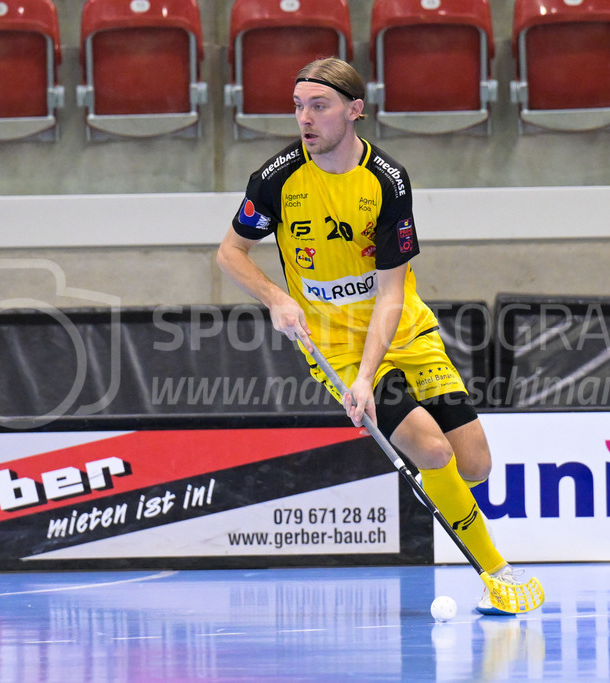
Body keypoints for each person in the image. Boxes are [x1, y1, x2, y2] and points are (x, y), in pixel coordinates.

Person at [216, 57, 539, 615]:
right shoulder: (277, 179)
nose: (305, 119)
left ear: (354, 110)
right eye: (298, 106)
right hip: (332, 343)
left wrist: (369, 378)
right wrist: (277, 297)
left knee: (476, 465)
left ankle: (455, 510)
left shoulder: (387, 182)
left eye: (319, 105)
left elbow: (391, 294)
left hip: (404, 330)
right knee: (432, 449)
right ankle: (497, 573)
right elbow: (228, 253)